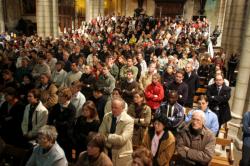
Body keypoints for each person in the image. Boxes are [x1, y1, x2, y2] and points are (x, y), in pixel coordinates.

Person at [99, 97, 134, 166]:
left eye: (116, 108)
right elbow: (100, 133)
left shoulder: (129, 120)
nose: (113, 110)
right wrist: (109, 137)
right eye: (112, 107)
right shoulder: (107, 116)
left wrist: (107, 135)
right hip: (107, 152)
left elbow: (122, 139)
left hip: (121, 155)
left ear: (122, 108)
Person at [48, 87, 76, 161]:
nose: (59, 98)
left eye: (61, 96)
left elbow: (68, 124)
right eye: (58, 96)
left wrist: (56, 123)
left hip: (66, 137)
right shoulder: (56, 106)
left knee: (65, 157)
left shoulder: (72, 109)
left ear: (67, 97)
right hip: (55, 134)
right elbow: (50, 121)